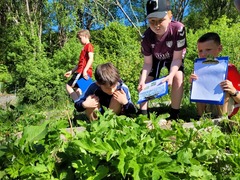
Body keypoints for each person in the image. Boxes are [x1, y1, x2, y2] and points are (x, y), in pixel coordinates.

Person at [138, 0, 187, 120]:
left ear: (170, 17)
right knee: (145, 79)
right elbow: (147, 63)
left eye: (161, 20)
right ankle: (143, 115)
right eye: (152, 21)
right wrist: (142, 81)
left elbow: (177, 59)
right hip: (155, 58)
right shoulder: (146, 37)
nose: (157, 25)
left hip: (174, 57)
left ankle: (174, 114)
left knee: (178, 76)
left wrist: (170, 75)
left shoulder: (178, 29)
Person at [190, 32, 240, 119]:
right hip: (209, 106)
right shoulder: (199, 69)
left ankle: (223, 120)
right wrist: (193, 83)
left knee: (224, 86)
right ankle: (200, 117)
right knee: (197, 83)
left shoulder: (230, 68)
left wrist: (233, 91)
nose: (203, 54)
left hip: (228, 108)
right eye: (200, 51)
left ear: (219, 48)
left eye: (208, 49)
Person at [64, 29, 94, 101]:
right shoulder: (84, 48)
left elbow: (91, 58)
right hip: (80, 71)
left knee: (68, 86)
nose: (79, 40)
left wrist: (85, 71)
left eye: (80, 38)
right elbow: (80, 63)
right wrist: (71, 71)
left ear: (86, 36)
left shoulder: (89, 46)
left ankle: (78, 104)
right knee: (79, 89)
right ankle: (81, 104)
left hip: (82, 72)